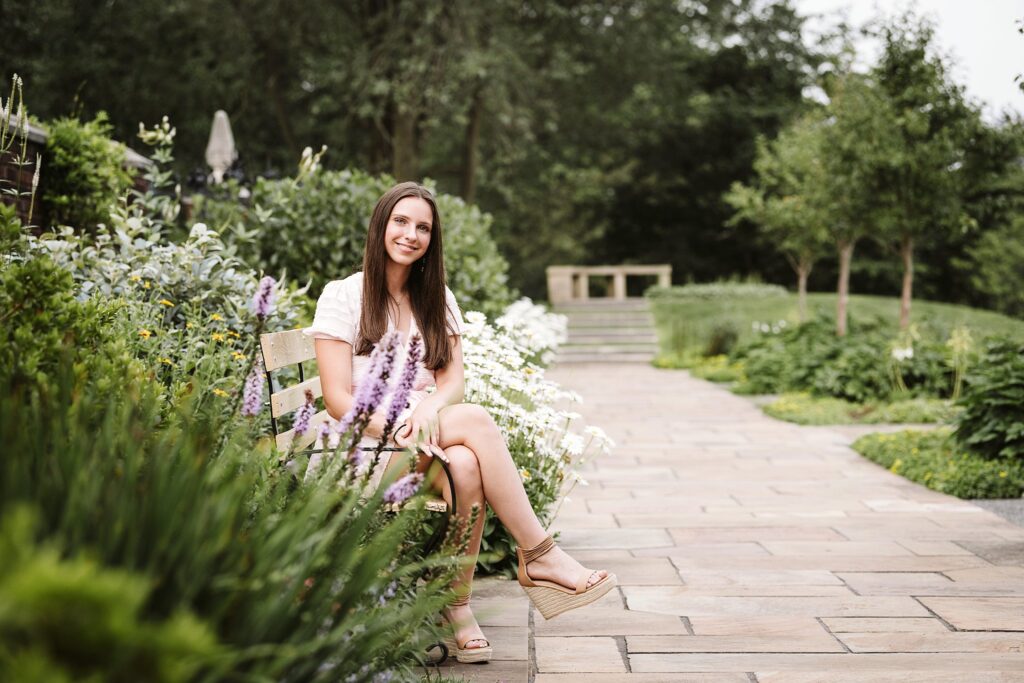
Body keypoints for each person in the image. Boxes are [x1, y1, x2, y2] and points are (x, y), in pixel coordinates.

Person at [303, 181, 615, 663]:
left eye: (423, 227)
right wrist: (407, 419)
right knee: (475, 423)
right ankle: (537, 553)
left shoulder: (436, 298)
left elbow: (452, 382)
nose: (411, 234)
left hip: (427, 443)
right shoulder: (342, 296)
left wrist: (428, 411)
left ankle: (459, 603)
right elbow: (338, 399)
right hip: (363, 451)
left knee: (467, 465)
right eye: (401, 222)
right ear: (380, 225)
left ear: (433, 239)